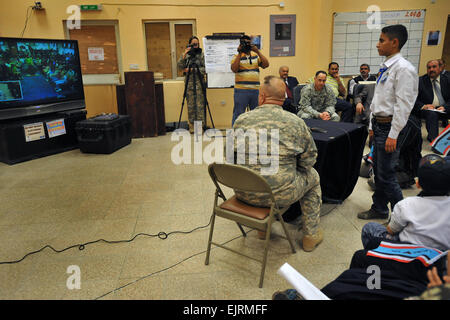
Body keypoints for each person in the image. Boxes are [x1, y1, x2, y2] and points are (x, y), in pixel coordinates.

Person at [231, 75, 323, 252]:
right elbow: (309, 160)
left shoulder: (241, 120)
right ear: (284, 98)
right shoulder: (296, 123)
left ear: (262, 97)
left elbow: (231, 158)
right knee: (313, 176)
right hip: (279, 195)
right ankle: (310, 236)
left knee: (262, 176)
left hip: (244, 192)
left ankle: (262, 228)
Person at [358, 24, 419, 220]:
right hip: (379, 124)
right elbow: (379, 100)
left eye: (381, 40)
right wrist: (371, 127)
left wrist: (393, 134)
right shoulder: (386, 66)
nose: (377, 44)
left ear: (394, 43)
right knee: (379, 170)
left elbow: (404, 105)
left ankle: (403, 219)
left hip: (390, 127)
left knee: (387, 175)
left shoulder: (404, 69)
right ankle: (380, 208)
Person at [361, 154, 450, 251]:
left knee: (369, 228)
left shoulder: (407, 204)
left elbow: (391, 230)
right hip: (438, 256)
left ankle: (378, 258)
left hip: (406, 250)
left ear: (418, 184)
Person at [230, 35, 269, 126]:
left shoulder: (255, 55)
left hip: (255, 90)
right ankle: (235, 135)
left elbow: (266, 65)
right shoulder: (236, 56)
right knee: (238, 114)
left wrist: (257, 51)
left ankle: (255, 134)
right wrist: (240, 53)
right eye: (244, 43)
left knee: (256, 115)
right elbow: (234, 69)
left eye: (248, 43)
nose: (246, 45)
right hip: (241, 91)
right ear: (240, 44)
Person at [414, 59, 450, 142]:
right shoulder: (420, 81)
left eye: (434, 67)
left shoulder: (447, 79)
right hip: (428, 109)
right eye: (429, 67)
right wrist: (424, 106)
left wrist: (445, 107)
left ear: (440, 68)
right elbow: (413, 99)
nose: (431, 70)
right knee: (432, 114)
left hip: (444, 108)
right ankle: (435, 141)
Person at [177, 36, 206, 133]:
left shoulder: (201, 55)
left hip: (199, 84)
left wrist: (191, 70)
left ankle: (200, 127)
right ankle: (192, 126)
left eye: (196, 44)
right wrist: (185, 54)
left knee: (200, 105)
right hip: (189, 84)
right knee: (191, 106)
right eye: (192, 44)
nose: (195, 46)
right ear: (189, 44)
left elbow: (205, 69)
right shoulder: (186, 55)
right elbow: (180, 67)